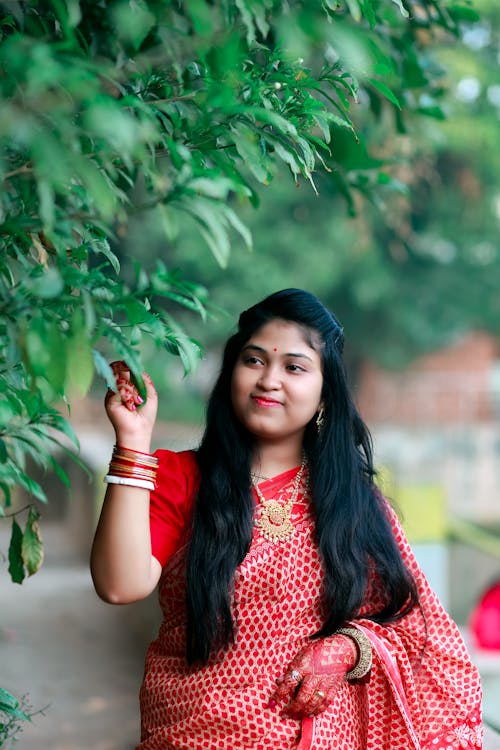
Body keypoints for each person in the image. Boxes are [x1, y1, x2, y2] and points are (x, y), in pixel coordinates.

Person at [90, 288, 483, 750]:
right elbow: (120, 586)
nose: (269, 380)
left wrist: (349, 648)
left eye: (294, 367)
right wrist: (133, 444)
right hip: (190, 732)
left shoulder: (354, 504)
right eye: (254, 361)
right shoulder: (181, 477)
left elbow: (420, 634)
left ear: (324, 393)